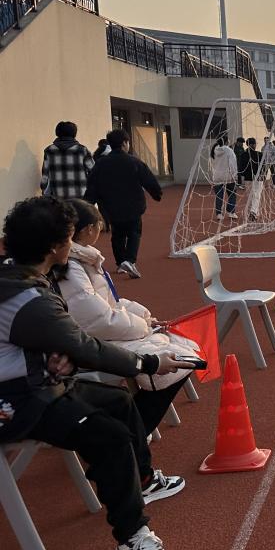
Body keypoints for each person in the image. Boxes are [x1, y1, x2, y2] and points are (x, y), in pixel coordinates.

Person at [0, 196, 195, 550]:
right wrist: (150, 363)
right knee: (110, 437)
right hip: (17, 401)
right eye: (70, 238)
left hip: (36, 384)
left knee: (119, 401)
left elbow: (59, 342)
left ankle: (139, 479)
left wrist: (58, 355)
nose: (73, 245)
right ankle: (132, 538)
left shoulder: (16, 274)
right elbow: (85, 346)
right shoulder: (29, 299)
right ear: (56, 247)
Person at [56, 200, 200, 435]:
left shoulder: (84, 260)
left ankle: (129, 431)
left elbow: (108, 304)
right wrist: (143, 327)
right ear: (88, 229)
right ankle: (130, 434)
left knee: (184, 353)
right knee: (177, 360)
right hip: (91, 344)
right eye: (99, 224)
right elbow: (97, 320)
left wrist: (144, 317)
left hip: (99, 337)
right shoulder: (72, 268)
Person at [84, 129, 161, 280]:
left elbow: (92, 185)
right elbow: (148, 179)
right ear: (125, 143)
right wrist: (156, 193)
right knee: (134, 233)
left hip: (111, 206)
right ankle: (129, 261)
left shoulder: (101, 164)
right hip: (133, 205)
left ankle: (120, 262)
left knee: (117, 234)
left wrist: (88, 203)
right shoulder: (134, 162)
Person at [40, 121, 95, 200]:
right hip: (80, 195)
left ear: (57, 133)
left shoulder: (49, 150)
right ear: (74, 133)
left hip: (58, 195)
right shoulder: (82, 150)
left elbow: (45, 174)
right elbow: (93, 171)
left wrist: (43, 189)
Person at [211, 136, 238, 220]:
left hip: (217, 176)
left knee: (219, 196)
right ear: (226, 141)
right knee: (232, 194)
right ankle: (231, 212)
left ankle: (219, 214)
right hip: (228, 176)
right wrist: (235, 175)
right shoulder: (229, 150)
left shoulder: (214, 150)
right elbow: (233, 164)